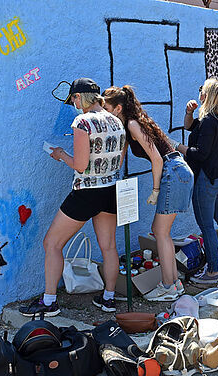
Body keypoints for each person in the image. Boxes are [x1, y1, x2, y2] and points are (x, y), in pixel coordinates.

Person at [20, 78, 126, 316]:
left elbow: (80, 165)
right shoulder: (117, 122)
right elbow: (118, 160)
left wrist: (60, 155)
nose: (73, 104)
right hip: (110, 190)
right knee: (108, 246)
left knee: (52, 243)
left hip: (86, 192)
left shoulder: (82, 121)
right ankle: (109, 298)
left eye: (72, 100)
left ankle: (49, 301)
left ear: (79, 97)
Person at [102, 85, 194, 301]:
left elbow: (157, 158)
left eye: (106, 107)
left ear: (117, 108)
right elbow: (120, 157)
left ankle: (168, 285)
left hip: (173, 170)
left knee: (160, 231)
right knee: (162, 231)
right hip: (178, 170)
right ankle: (174, 284)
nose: (104, 112)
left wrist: (155, 190)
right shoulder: (129, 125)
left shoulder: (133, 124)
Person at [177, 78, 218, 285]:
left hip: (208, 178)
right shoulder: (217, 119)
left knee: (206, 225)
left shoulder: (208, 122)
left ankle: (212, 271)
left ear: (208, 95)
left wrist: (176, 147)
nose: (199, 94)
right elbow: (190, 127)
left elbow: (200, 154)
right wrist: (188, 113)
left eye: (201, 90)